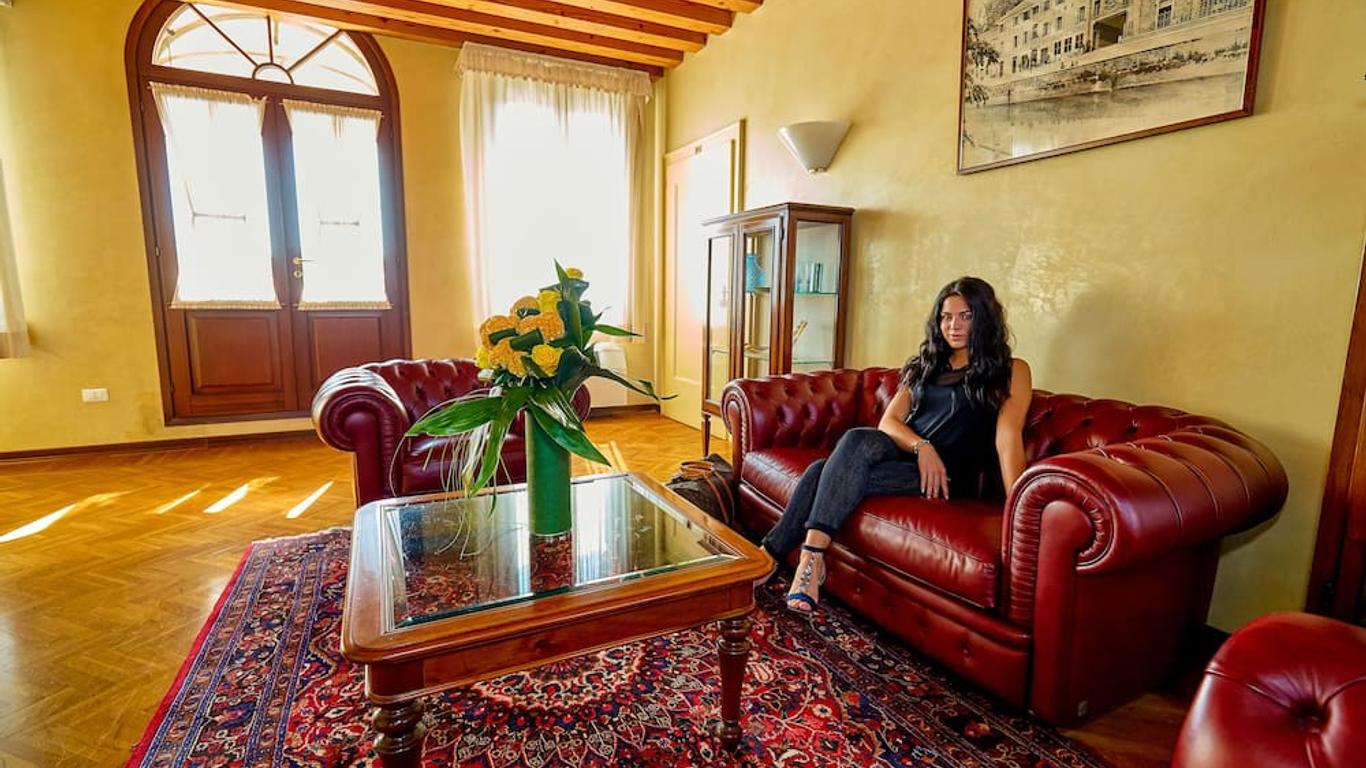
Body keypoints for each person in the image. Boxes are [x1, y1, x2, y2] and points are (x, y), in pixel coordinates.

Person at [763, 276, 1033, 613]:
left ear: (985, 317)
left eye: (966, 316)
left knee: (822, 471)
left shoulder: (1011, 371)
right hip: (909, 455)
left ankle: (774, 557)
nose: (954, 326)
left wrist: (1020, 510)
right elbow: (889, 422)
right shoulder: (925, 365)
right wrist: (922, 447)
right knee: (857, 437)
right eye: (946, 317)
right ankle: (811, 558)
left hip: (947, 475)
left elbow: (1007, 438)